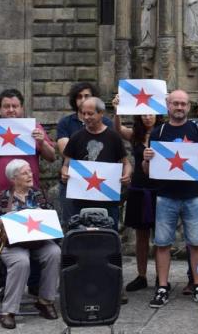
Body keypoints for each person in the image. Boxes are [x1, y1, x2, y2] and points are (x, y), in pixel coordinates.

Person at [142, 89, 198, 307]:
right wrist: (146, 160)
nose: (180, 107)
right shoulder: (158, 131)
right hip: (165, 196)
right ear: (168, 105)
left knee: (196, 243)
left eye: (183, 104)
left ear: (188, 106)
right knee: (162, 243)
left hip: (192, 195)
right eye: (176, 103)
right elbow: (147, 171)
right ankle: (162, 287)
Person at [0, 159, 61, 329]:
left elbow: (52, 219)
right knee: (21, 261)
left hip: (38, 241)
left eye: (30, 171)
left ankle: (45, 301)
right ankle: (8, 311)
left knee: (54, 252)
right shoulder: (3, 199)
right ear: (14, 179)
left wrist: (44, 214)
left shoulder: (38, 195)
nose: (30, 175)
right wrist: (2, 220)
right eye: (25, 173)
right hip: (12, 244)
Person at [0, 88, 56, 202]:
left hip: (28, 196)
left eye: (15, 106)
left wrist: (42, 143)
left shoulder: (33, 127)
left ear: (22, 108)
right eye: (6, 106)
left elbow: (52, 157)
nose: (11, 110)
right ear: (0, 108)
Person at [60, 97, 132, 232]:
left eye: (90, 113)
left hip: (108, 201)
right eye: (83, 113)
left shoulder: (113, 137)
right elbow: (66, 164)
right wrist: (64, 173)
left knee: (108, 237)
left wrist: (127, 175)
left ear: (101, 113)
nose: (86, 117)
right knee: (81, 237)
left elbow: (126, 164)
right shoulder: (76, 137)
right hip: (80, 200)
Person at [57, 82, 113, 228]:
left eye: (87, 96)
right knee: (72, 225)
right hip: (72, 181)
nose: (83, 100)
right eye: (79, 97)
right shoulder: (66, 122)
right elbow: (64, 149)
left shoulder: (107, 123)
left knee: (102, 226)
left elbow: (110, 152)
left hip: (99, 182)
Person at [121, 113, 158, 293]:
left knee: (161, 236)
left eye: (151, 114)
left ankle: (161, 276)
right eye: (143, 114)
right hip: (138, 189)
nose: (147, 117)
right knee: (141, 236)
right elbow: (117, 129)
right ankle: (141, 275)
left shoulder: (164, 134)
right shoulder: (134, 135)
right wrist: (118, 109)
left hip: (159, 189)